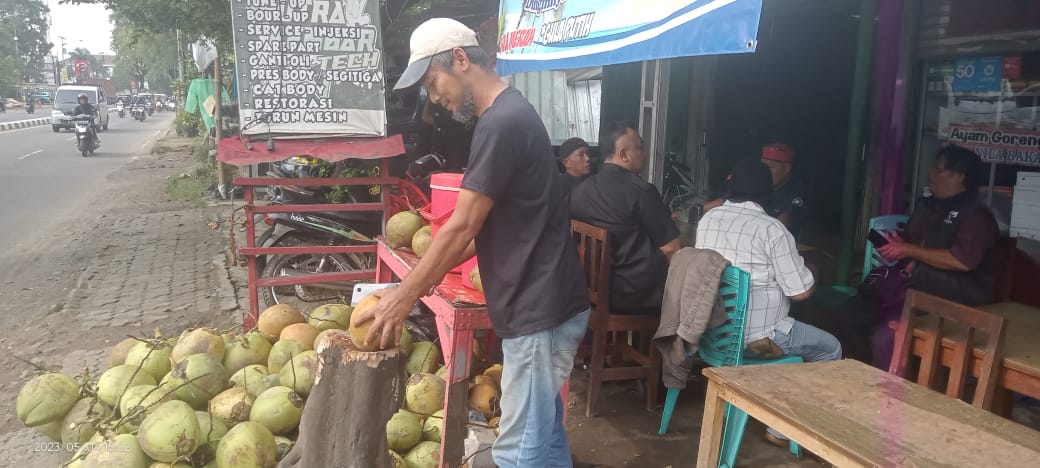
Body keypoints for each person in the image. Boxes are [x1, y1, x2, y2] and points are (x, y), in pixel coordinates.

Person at [351, 18, 589, 468]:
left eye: (433, 82)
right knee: (545, 439)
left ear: (460, 59)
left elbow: (461, 227)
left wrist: (404, 297)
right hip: (545, 305)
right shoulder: (506, 117)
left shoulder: (502, 123)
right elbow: (480, 230)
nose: (433, 98)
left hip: (539, 309)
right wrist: (425, 277)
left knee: (520, 451)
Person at [696, 158, 841, 447]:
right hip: (758, 341)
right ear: (768, 194)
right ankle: (782, 430)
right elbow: (800, 292)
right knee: (830, 349)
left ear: (729, 185)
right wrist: (813, 268)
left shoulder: (708, 219)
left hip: (712, 335)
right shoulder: (772, 230)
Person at [865, 144, 999, 366]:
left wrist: (909, 251)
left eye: (939, 170)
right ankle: (856, 378)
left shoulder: (976, 215)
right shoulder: (930, 205)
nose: (931, 176)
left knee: (886, 337)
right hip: (915, 287)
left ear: (960, 177)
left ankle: (889, 394)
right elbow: (913, 241)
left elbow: (962, 261)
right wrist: (898, 244)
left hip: (954, 298)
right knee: (851, 314)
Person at [570, 122, 680, 313]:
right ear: (623, 154)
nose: (644, 153)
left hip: (588, 288)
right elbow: (671, 249)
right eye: (639, 147)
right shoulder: (641, 191)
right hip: (633, 295)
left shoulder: (580, 190)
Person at [760, 143, 808, 238]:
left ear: (786, 169)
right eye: (762, 167)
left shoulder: (796, 192)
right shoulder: (754, 186)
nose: (764, 172)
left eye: (770, 167)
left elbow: (780, 225)